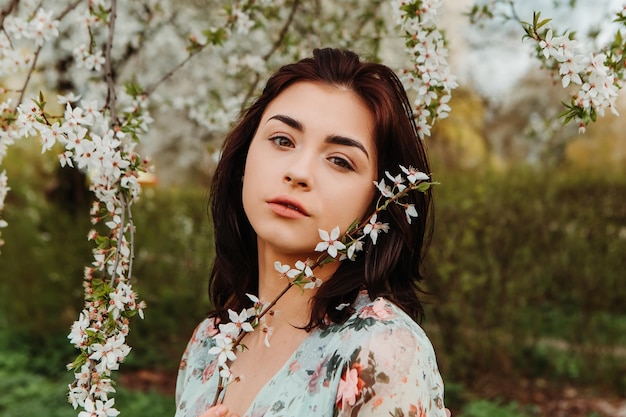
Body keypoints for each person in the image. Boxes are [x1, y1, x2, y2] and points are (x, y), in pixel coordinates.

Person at [175, 48, 447, 417]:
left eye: (339, 160)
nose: (299, 172)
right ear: (243, 160)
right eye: (283, 140)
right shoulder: (208, 343)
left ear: (377, 201)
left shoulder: (381, 351)